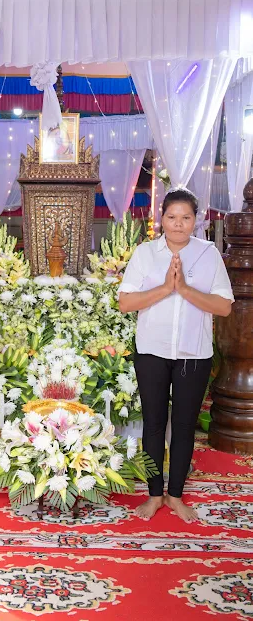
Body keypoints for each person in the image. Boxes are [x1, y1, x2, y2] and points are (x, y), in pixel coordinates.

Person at [119, 188, 234, 523]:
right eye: (172, 217)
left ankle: (176, 496)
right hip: (152, 351)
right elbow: (126, 302)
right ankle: (155, 494)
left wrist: (183, 289)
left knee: (184, 426)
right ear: (162, 219)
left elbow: (224, 307)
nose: (179, 224)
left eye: (186, 217)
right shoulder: (145, 253)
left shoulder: (208, 254)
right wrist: (165, 289)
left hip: (193, 354)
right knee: (154, 424)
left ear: (195, 220)